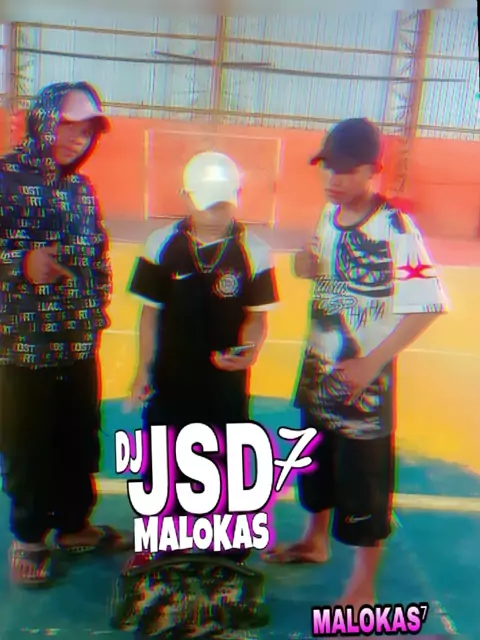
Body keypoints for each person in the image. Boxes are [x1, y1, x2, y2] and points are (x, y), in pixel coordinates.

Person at [263, 118, 448, 610]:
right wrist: (304, 266)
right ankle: (315, 540)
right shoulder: (329, 214)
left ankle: (362, 588)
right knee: (317, 464)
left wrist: (373, 363)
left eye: (345, 170)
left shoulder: (395, 228)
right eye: (328, 167)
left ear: (371, 170)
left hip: (365, 384)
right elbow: (317, 264)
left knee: (366, 483)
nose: (334, 179)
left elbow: (428, 305)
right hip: (320, 369)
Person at [0, 82, 131, 587]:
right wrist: (20, 264)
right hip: (24, 346)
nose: (78, 138)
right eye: (68, 125)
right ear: (43, 120)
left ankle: (75, 526)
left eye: (88, 130)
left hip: (78, 340)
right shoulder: (6, 179)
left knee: (79, 436)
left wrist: (98, 306)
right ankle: (29, 537)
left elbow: (98, 253)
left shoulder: (82, 189)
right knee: (29, 443)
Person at [127, 151, 279, 568]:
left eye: (223, 203)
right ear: (186, 196)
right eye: (207, 203)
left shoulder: (255, 251)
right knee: (164, 458)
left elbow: (257, 319)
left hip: (225, 383)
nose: (216, 213)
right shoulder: (161, 244)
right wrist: (142, 369)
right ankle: (160, 539)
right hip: (171, 377)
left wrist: (249, 351)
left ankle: (225, 544)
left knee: (224, 460)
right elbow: (150, 313)